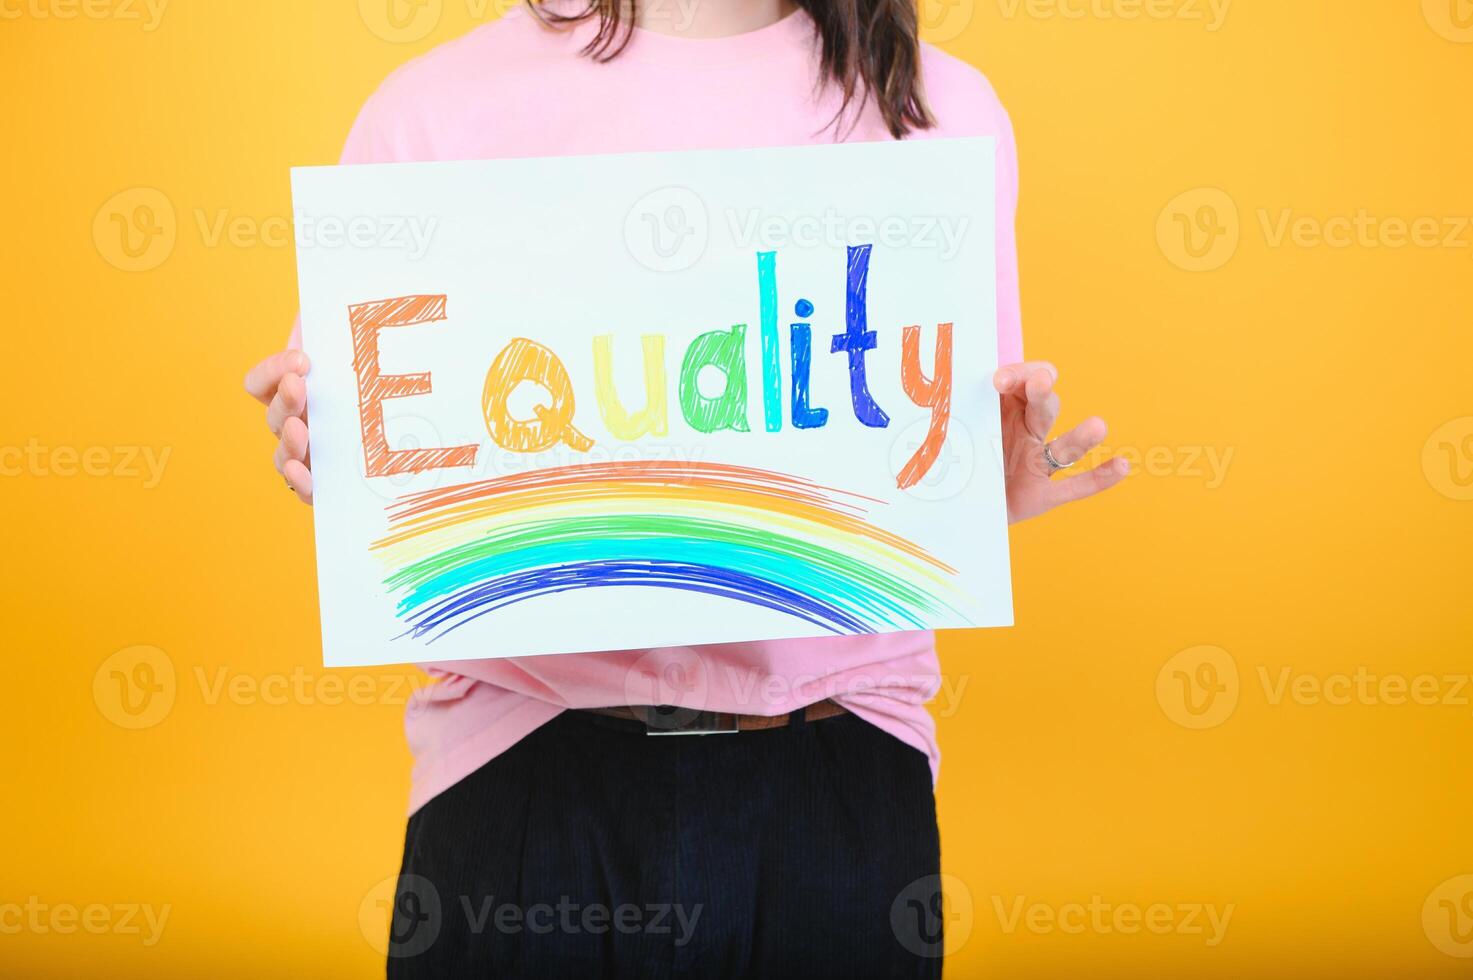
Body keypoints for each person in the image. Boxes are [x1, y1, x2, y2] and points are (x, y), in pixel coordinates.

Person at [245, 0, 1128, 974]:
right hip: (527, 762)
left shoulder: (938, 109)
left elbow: (932, 455)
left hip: (840, 764)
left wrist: (983, 497)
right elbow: (375, 447)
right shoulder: (433, 112)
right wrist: (325, 446)